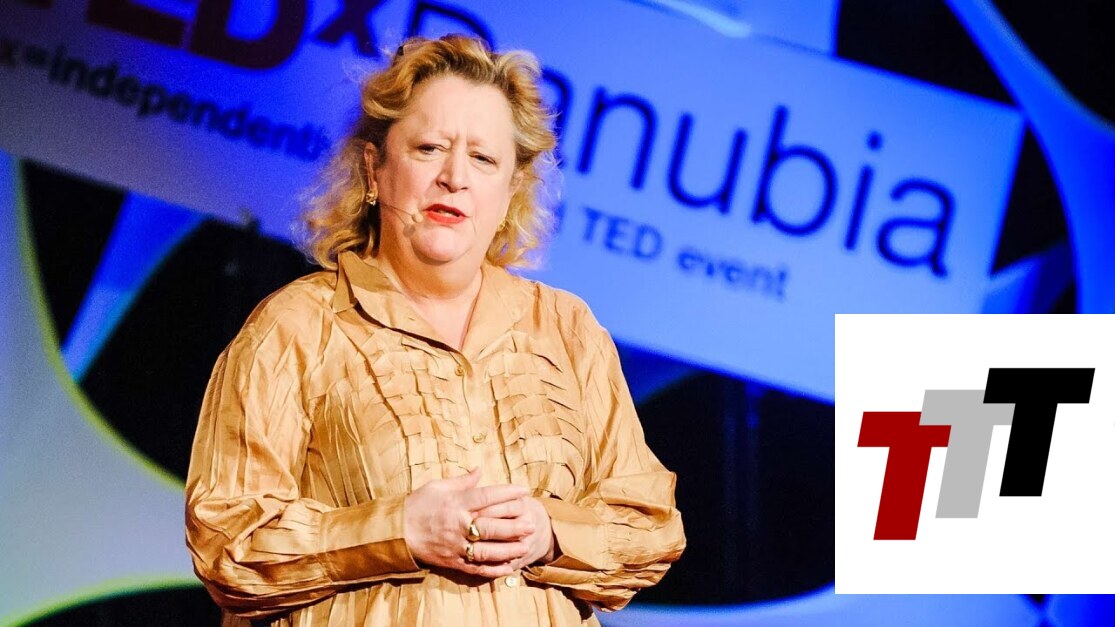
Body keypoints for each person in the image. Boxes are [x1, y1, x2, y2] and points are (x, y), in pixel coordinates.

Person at [185, 34, 685, 626]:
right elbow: (227, 543)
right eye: (429, 148)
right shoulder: (295, 326)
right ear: (374, 170)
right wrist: (398, 530)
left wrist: (550, 532)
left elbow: (650, 526)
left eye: (483, 159)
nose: (454, 177)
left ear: (511, 191)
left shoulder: (567, 329)